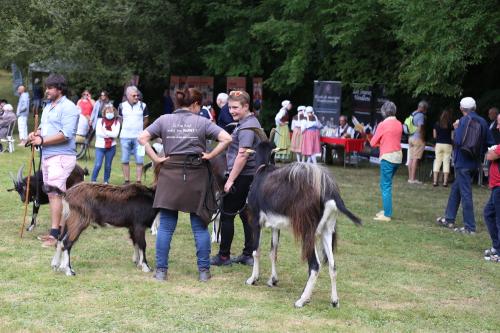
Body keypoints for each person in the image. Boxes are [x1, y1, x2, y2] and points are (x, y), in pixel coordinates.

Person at [138, 87, 231, 282]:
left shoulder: (164, 120)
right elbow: (227, 138)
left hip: (169, 175)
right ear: (196, 104)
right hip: (196, 177)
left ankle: (161, 272)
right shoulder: (203, 122)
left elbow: (142, 138)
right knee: (199, 227)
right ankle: (204, 272)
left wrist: (156, 158)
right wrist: (211, 155)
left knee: (165, 227)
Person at [210, 90, 262, 267]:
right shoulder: (248, 122)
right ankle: (248, 254)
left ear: (246, 106)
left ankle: (224, 256)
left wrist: (231, 180)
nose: (231, 111)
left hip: (242, 176)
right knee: (245, 215)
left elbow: (242, 155)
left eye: (235, 107)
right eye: (229, 107)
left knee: (227, 215)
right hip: (247, 176)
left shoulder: (247, 127)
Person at [27, 74, 79, 247]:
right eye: (46, 87)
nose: (46, 90)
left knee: (56, 194)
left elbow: (66, 134)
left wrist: (42, 141)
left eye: (50, 88)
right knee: (52, 194)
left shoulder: (69, 107)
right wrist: (36, 134)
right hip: (48, 155)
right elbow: (44, 127)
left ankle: (57, 235)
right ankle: (55, 231)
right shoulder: (48, 106)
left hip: (62, 156)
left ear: (60, 89)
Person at [436, 97, 494, 234]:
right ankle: (449, 218)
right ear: (475, 107)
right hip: (474, 162)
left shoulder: (462, 121)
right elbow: (489, 142)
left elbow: (457, 141)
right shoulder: (483, 121)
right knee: (456, 188)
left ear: (461, 108)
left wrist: (456, 128)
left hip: (462, 162)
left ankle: (469, 227)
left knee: (465, 193)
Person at [369, 101, 403, 222]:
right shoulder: (399, 123)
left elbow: (372, 143)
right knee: (385, 184)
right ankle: (386, 210)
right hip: (398, 157)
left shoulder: (382, 124)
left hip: (388, 157)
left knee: (385, 186)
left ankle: (387, 214)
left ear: (384, 112)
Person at [118, 86, 149, 184]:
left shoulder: (143, 106)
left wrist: (140, 130)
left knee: (140, 160)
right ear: (128, 96)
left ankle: (138, 181)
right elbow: (120, 118)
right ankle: (127, 181)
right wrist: (126, 127)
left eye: (137, 95)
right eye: (134, 95)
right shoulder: (121, 106)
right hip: (125, 137)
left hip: (139, 138)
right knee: (125, 159)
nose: (136, 97)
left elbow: (146, 119)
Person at [91, 104, 120, 184]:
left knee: (108, 166)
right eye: (107, 112)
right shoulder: (100, 121)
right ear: (104, 113)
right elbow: (99, 133)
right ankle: (93, 180)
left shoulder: (117, 122)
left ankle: (106, 181)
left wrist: (104, 131)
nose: (109, 113)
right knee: (98, 164)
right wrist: (109, 133)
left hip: (111, 147)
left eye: (111, 112)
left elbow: (115, 135)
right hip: (100, 147)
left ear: (114, 113)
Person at [483, 140, 500, 262]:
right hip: (495, 188)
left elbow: (490, 156)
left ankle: (499, 253)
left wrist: (491, 150)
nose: (498, 127)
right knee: (488, 214)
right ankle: (496, 246)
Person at [407, 101, 428, 184]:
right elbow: (421, 128)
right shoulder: (421, 116)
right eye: (426, 108)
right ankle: (412, 179)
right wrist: (422, 139)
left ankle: (410, 178)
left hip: (410, 138)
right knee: (415, 158)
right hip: (417, 138)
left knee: (411, 158)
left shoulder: (413, 113)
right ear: (423, 108)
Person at [432, 109, 453, 187]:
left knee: (437, 161)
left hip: (438, 144)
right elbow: (452, 137)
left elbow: (434, 136)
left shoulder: (436, 124)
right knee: (446, 162)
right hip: (448, 145)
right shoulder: (450, 125)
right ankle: (445, 182)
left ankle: (435, 181)